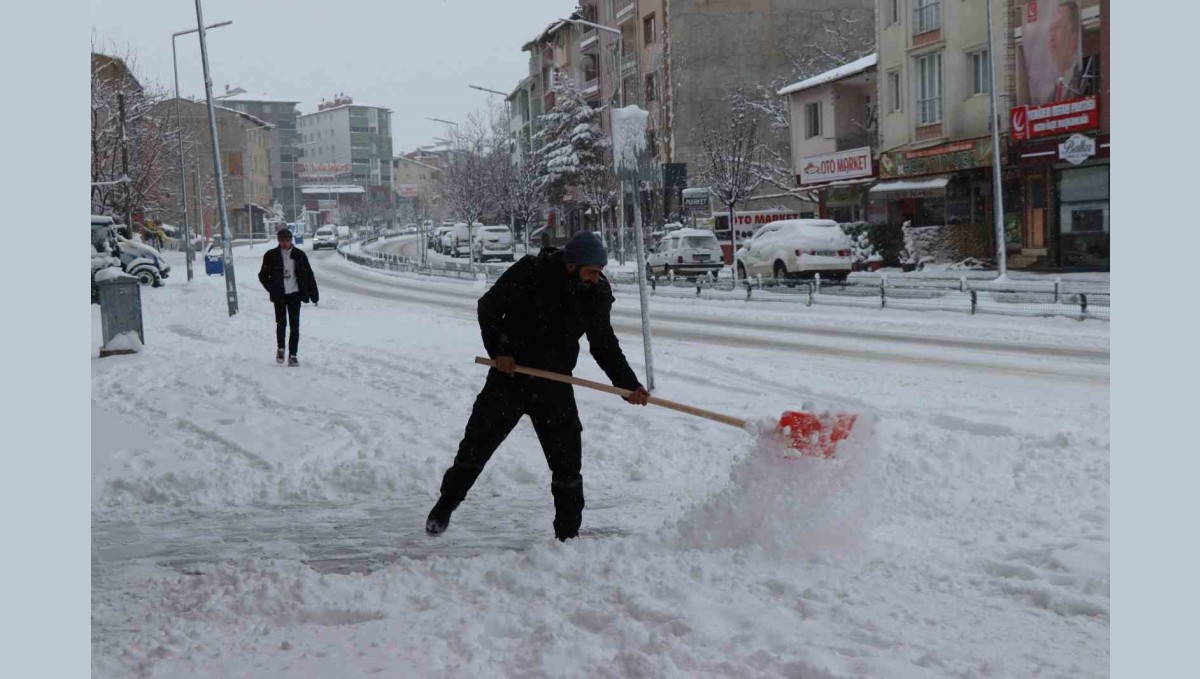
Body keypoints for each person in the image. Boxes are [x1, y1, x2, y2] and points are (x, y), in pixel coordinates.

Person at [427, 231, 651, 541]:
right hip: (509, 379)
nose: (597, 279)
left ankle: (567, 536)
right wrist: (500, 352)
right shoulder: (530, 272)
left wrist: (629, 386)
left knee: (568, 464)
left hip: (554, 385)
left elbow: (604, 345)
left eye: (600, 273)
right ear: (572, 265)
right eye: (593, 272)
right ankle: (445, 506)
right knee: (476, 447)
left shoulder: (595, 293)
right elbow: (488, 308)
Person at [257, 228, 319, 366]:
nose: (285, 243)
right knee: (281, 323)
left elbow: (309, 275)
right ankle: (281, 348)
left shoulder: (300, 255)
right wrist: (272, 289)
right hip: (279, 295)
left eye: (287, 240)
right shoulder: (271, 255)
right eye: (282, 240)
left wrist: (314, 294)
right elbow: (262, 275)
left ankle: (293, 355)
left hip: (295, 294)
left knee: (295, 326)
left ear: (291, 240)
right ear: (278, 240)